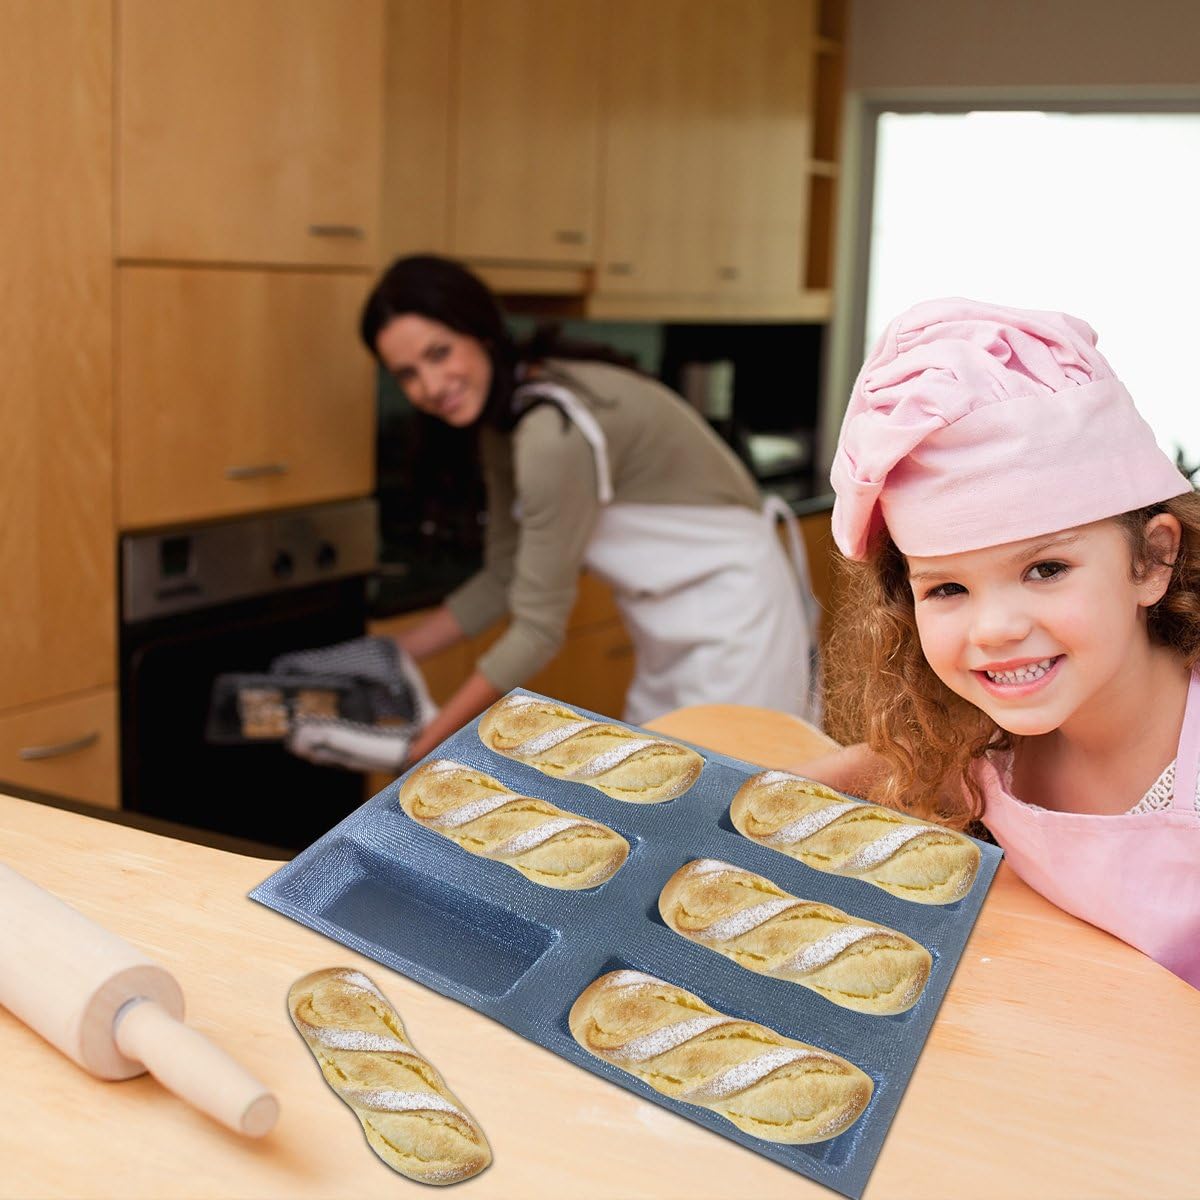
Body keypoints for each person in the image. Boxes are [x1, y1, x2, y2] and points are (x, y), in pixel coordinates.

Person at [797, 298, 1200, 988]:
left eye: (1046, 570)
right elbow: (885, 768)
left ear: (1152, 560)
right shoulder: (980, 743)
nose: (994, 629)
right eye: (948, 588)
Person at [360, 254, 820, 764]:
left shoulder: (549, 431)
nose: (429, 385)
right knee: (659, 783)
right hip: (667, 625)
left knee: (727, 790)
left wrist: (421, 748)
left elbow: (537, 630)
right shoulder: (508, 417)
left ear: (479, 331)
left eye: (439, 353)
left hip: (737, 619)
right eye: (408, 374)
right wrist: (388, 655)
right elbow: (504, 578)